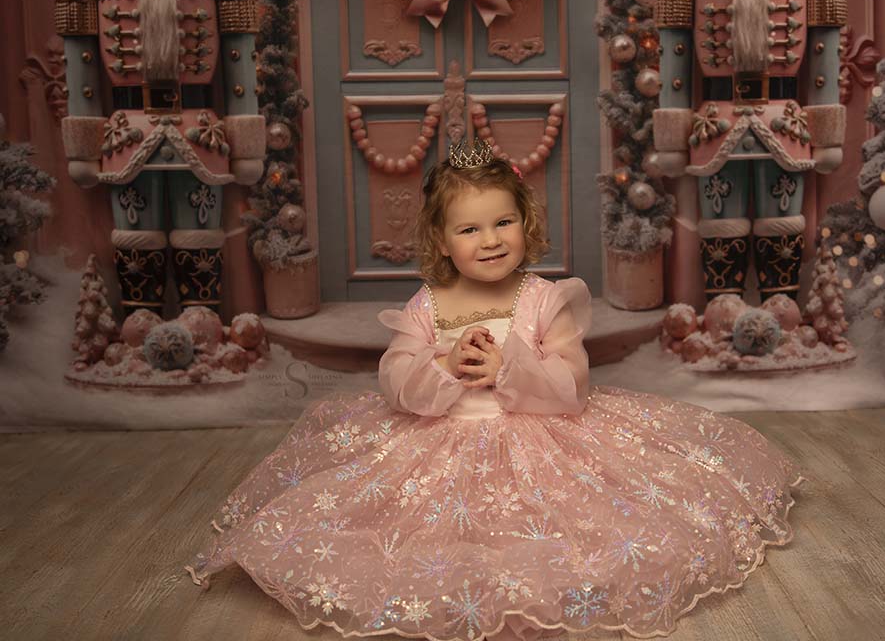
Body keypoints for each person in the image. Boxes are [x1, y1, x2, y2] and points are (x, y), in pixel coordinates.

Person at [186, 139, 802, 639]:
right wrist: (443, 362)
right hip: (441, 438)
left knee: (560, 529)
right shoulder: (428, 303)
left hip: (539, 438)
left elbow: (572, 384)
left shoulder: (542, 299)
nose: (490, 240)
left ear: (525, 222)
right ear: (440, 239)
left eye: (504, 222)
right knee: (423, 532)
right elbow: (394, 380)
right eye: (470, 229)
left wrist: (510, 367)